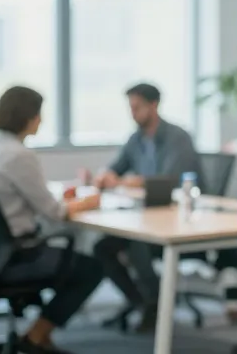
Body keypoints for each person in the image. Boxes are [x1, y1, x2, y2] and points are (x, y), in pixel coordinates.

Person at [0, 86, 103, 354]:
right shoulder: (18, 154)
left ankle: (38, 336)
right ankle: (37, 336)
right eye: (39, 114)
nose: (41, 120)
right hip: (15, 257)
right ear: (27, 116)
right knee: (91, 268)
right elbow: (55, 212)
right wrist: (88, 201)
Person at [91, 83, 204, 332]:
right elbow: (116, 168)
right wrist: (104, 176)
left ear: (154, 105)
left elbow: (170, 180)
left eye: (137, 107)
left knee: (136, 243)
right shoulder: (136, 138)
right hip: (146, 215)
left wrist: (126, 182)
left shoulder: (177, 137)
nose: (132, 113)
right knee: (102, 248)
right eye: (130, 108)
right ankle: (140, 301)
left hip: (178, 219)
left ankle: (155, 303)